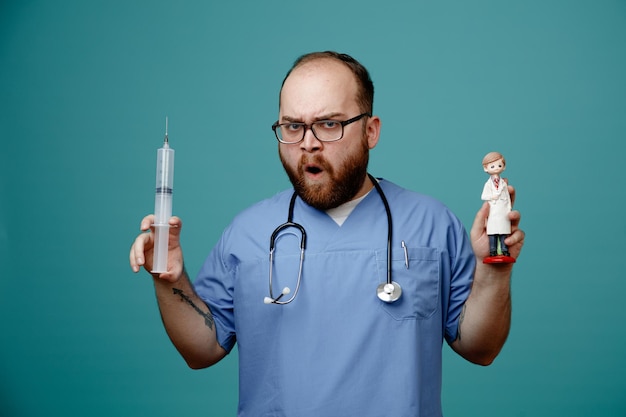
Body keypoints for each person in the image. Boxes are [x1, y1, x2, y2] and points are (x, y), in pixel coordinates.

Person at [130, 51, 525, 416]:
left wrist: (494, 270)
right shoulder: (247, 234)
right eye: (292, 126)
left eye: (329, 124)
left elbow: (482, 349)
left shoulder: (432, 223)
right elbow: (202, 350)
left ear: (370, 131)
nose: (308, 143)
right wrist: (170, 279)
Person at [481, 151, 513, 262]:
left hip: (503, 210)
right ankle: (493, 251)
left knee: (503, 233)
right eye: (492, 166)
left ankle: (504, 250)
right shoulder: (488, 184)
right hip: (493, 210)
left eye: (499, 165)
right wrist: (492, 196)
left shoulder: (503, 183)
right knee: (493, 233)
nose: (496, 168)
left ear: (503, 167)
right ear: (486, 168)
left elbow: (508, 197)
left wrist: (509, 208)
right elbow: (483, 196)